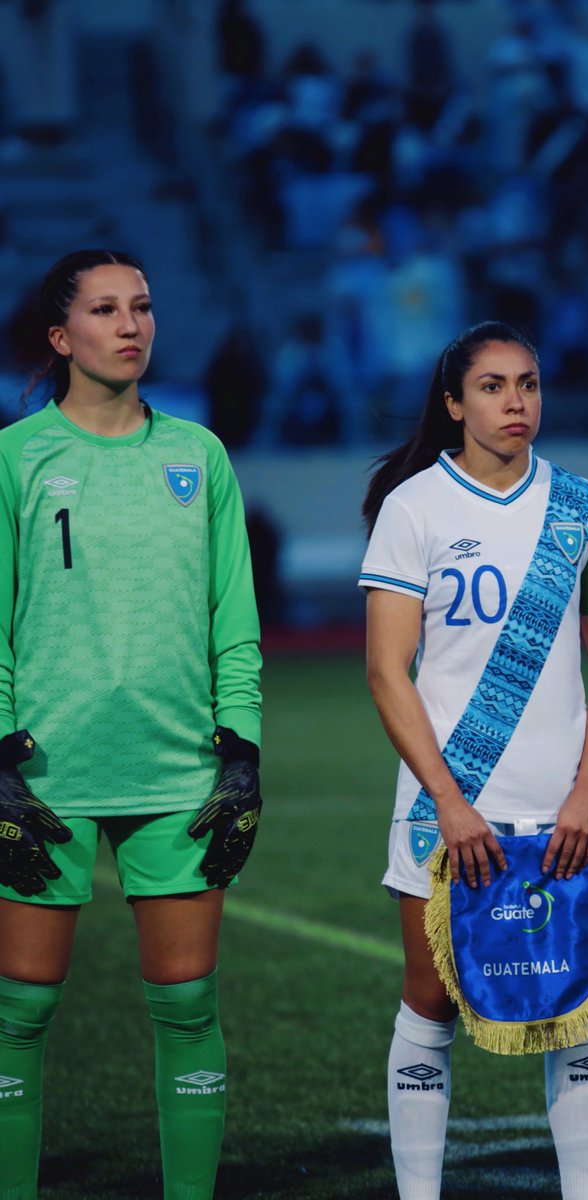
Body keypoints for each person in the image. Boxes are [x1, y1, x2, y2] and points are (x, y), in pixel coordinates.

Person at [0, 249, 263, 1199]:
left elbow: (233, 621)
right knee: (19, 1015)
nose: (131, 324)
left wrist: (241, 749)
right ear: (62, 338)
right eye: (106, 310)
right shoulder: (14, 457)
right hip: (43, 781)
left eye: (143, 306)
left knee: (188, 1005)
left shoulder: (200, 456)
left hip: (180, 778)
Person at [360, 320, 588, 1200]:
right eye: (492, 386)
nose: (517, 402)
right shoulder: (415, 510)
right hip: (451, 804)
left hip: (565, 806)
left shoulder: (584, 506)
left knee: (576, 1006)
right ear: (453, 403)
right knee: (430, 1001)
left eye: (529, 384)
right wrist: (448, 799)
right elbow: (384, 671)